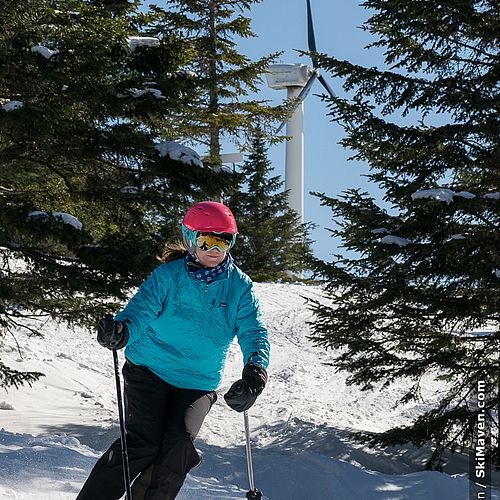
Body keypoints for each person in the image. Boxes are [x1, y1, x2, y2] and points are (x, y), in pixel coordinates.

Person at [77, 201, 270, 500]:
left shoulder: (239, 287)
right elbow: (141, 310)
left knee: (179, 445)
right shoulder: (169, 276)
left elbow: (253, 331)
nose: (215, 249)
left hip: (197, 382)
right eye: (208, 239)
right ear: (191, 238)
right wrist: (122, 330)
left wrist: (255, 374)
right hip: (149, 370)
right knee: (144, 442)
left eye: (224, 240)